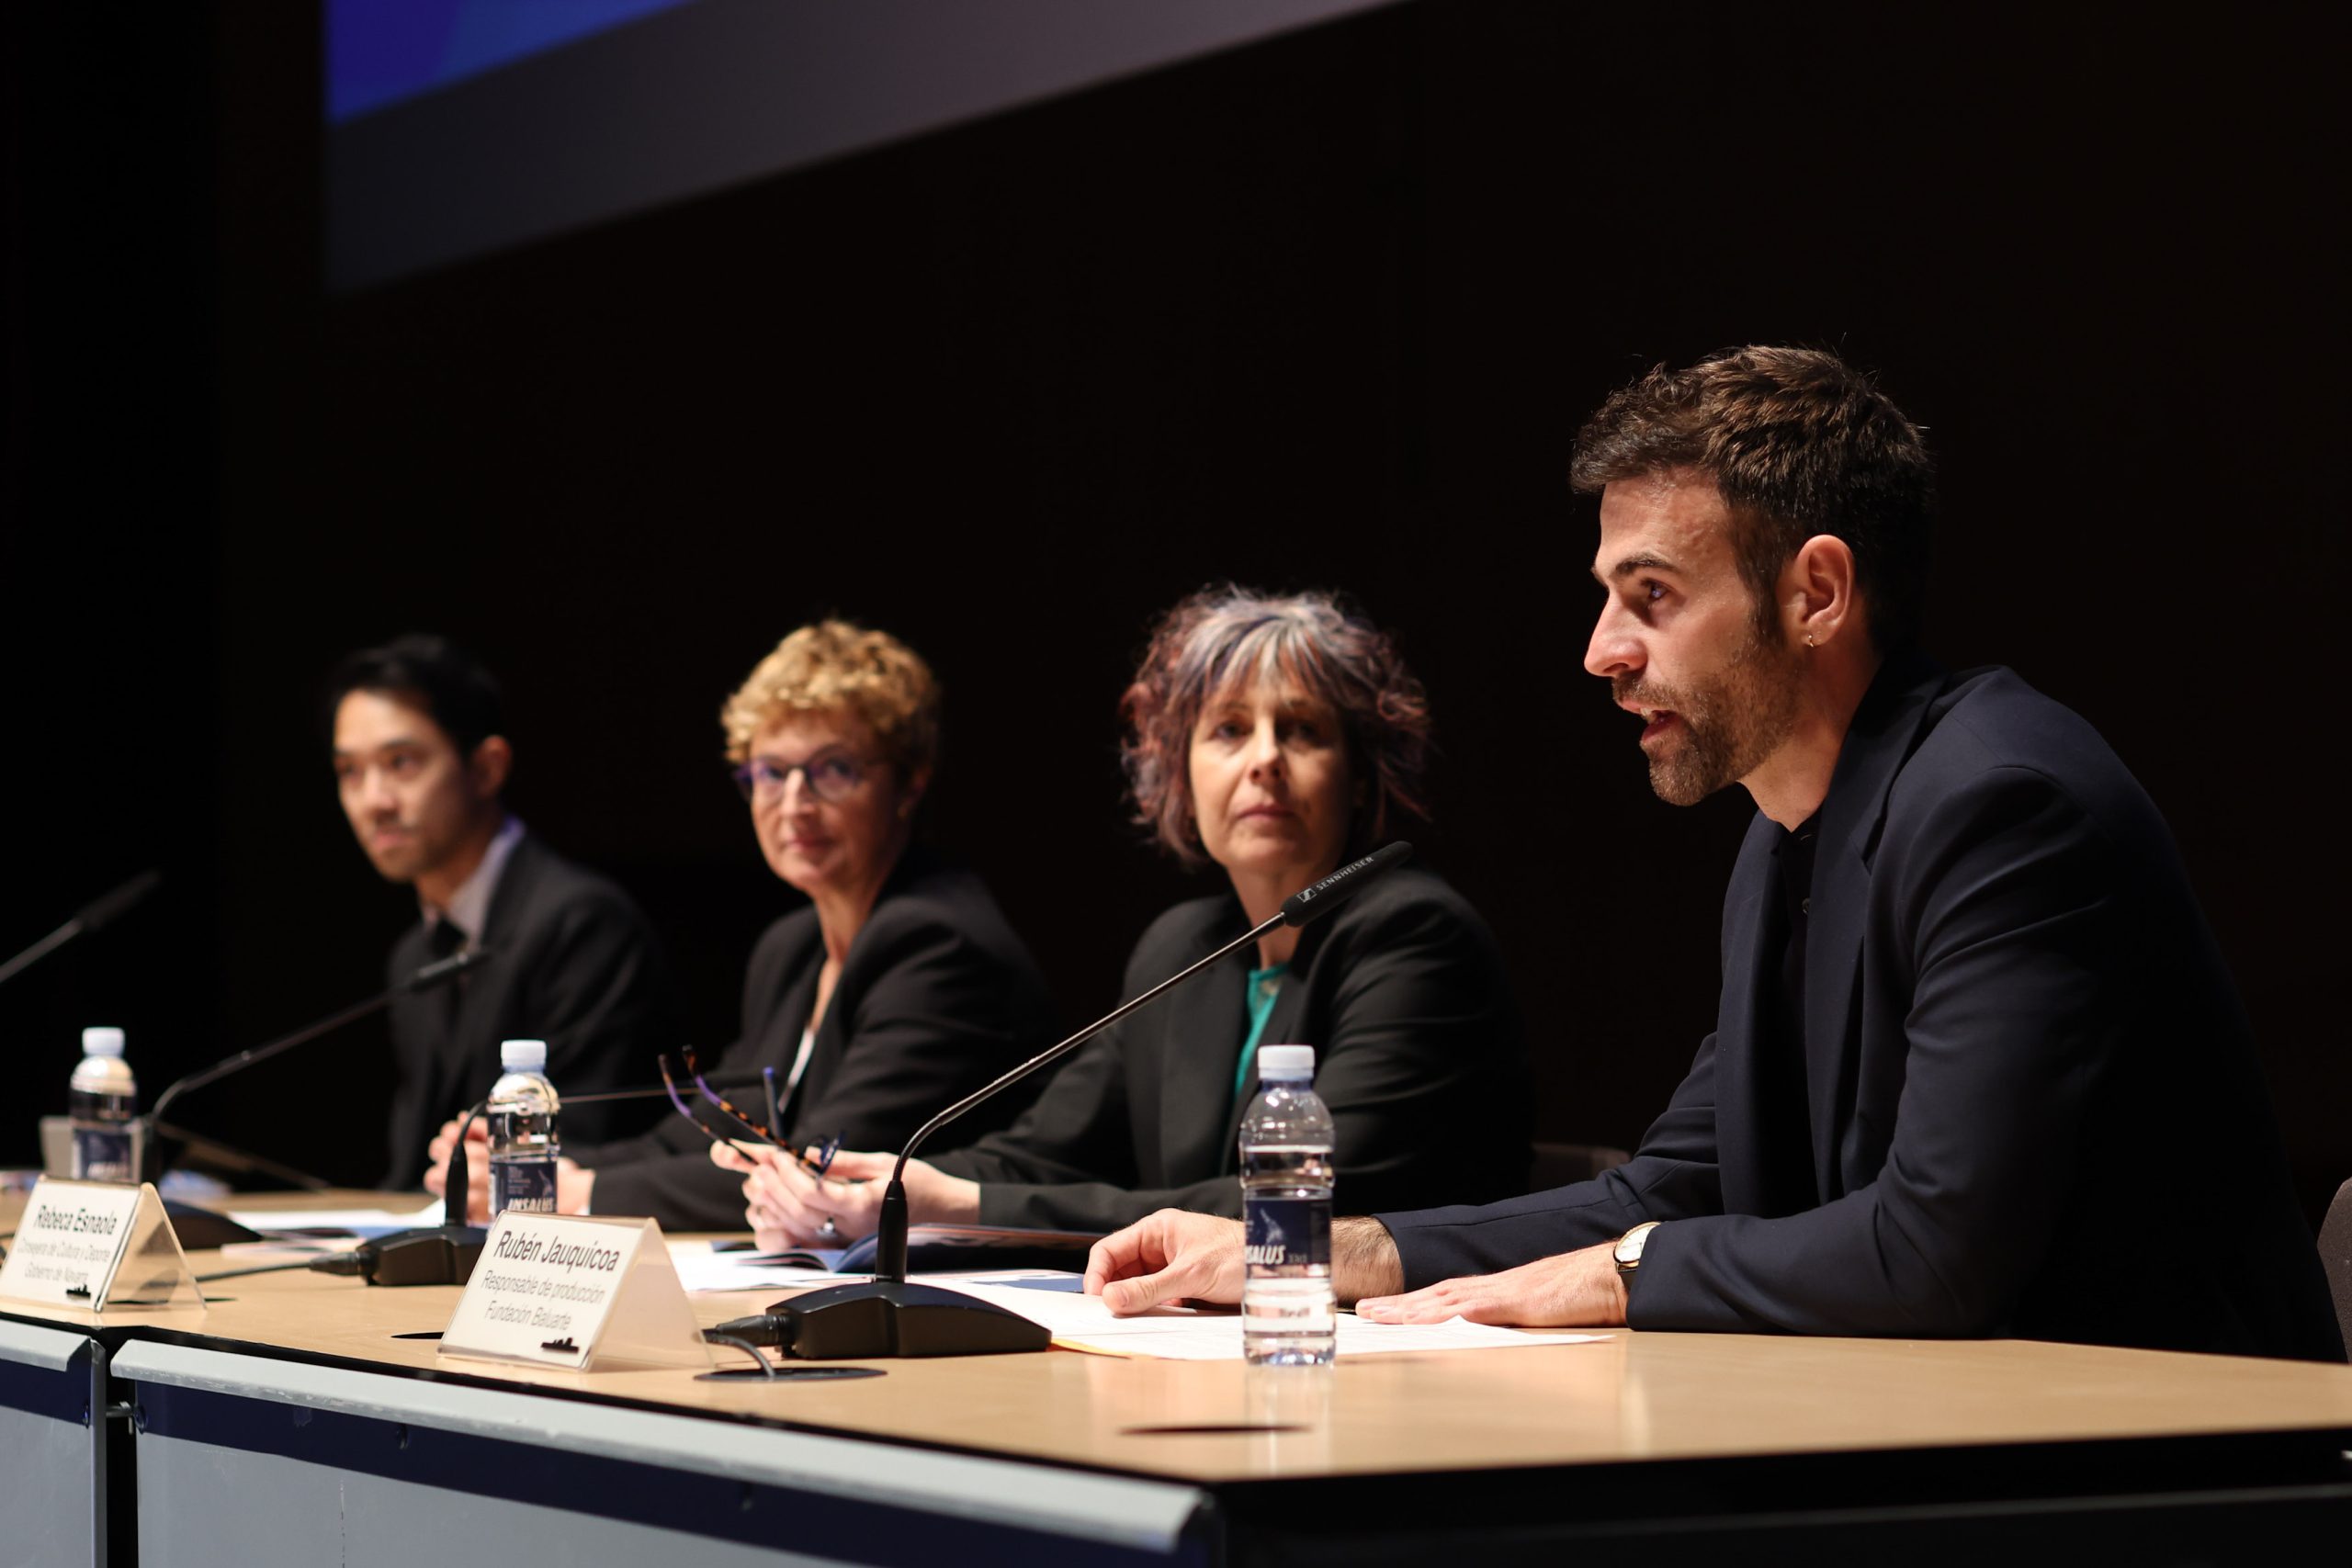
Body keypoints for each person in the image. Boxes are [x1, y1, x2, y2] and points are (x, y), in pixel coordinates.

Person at [1085, 348, 2344, 1362]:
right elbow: (1678, 1183)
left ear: (1816, 593)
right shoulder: (1783, 844)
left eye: (1653, 596)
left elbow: (1936, 1247)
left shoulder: (2002, 805)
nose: (1601, 651)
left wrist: (1623, 1274)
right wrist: (1326, 1248)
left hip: (2193, 1467)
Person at [719, 587, 1531, 1244]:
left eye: (1303, 731)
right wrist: (886, 1185)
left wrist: (962, 1205)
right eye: (1229, 730)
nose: (1264, 759)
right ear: (1181, 772)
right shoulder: (1186, 947)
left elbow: (1292, 1200)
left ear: (1358, 776)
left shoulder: (1411, 936)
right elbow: (1043, 1150)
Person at [429, 619, 1058, 1228]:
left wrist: (577, 1191)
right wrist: (534, 1162)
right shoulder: (792, 949)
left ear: (909, 784)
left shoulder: (937, 944)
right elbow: (705, 1131)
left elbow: (819, 1171)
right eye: (771, 772)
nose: (794, 804)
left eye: (833, 769)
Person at [330, 635, 676, 1188]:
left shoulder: (581, 923)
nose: (374, 800)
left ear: (487, 768)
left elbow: (586, 1142)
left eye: (401, 763)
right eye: (350, 771)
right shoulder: (414, 955)